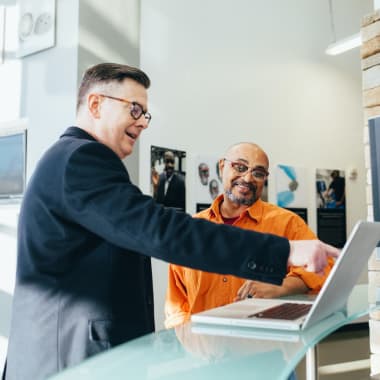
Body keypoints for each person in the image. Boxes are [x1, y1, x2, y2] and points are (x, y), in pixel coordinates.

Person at [2, 63, 338, 380]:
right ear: (95, 104)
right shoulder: (81, 159)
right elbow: (161, 231)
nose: (143, 122)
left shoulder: (72, 160)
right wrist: (285, 252)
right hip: (69, 361)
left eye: (145, 113)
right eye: (134, 109)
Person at [165, 142, 335, 328]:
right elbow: (177, 304)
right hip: (205, 350)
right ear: (222, 167)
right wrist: (189, 342)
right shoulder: (192, 230)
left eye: (258, 173)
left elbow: (325, 268)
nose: (247, 178)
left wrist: (282, 286)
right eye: (240, 167)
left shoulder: (287, 223)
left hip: (264, 346)